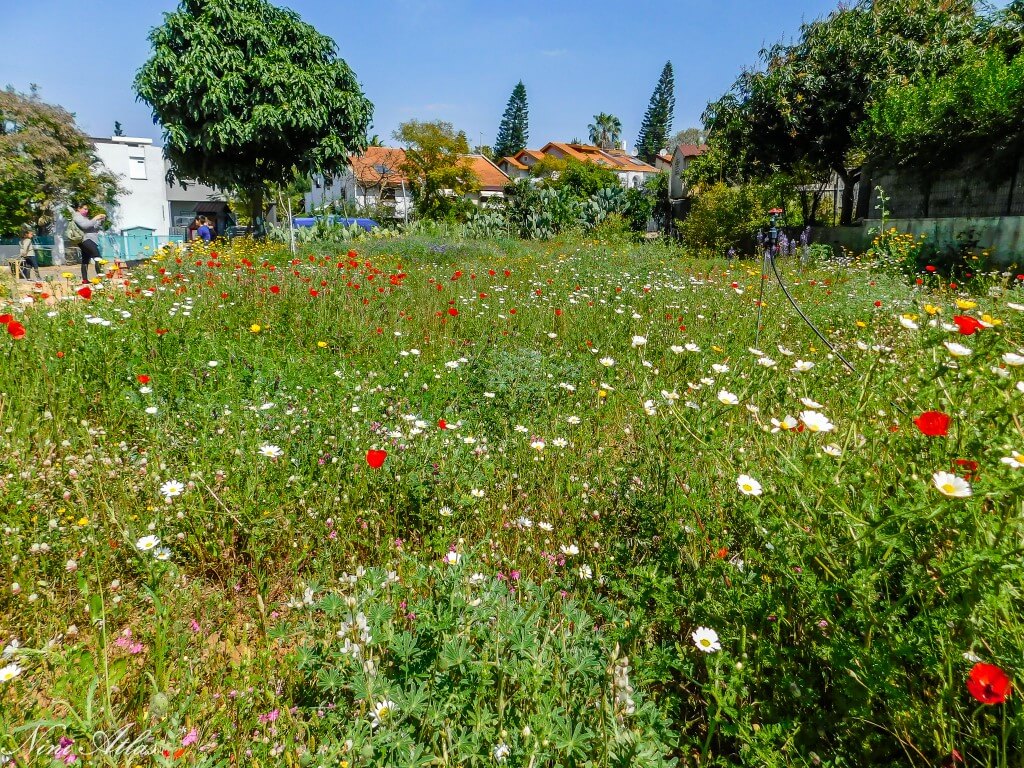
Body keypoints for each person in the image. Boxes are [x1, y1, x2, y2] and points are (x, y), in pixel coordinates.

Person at [71, 204, 106, 283]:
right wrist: (95, 218)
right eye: (84, 209)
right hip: (86, 240)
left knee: (85, 259)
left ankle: (85, 280)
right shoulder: (77, 217)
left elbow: (94, 228)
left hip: (88, 240)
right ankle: (101, 279)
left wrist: (101, 220)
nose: (86, 211)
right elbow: (85, 226)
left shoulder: (84, 218)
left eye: (87, 209)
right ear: (79, 208)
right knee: (98, 257)